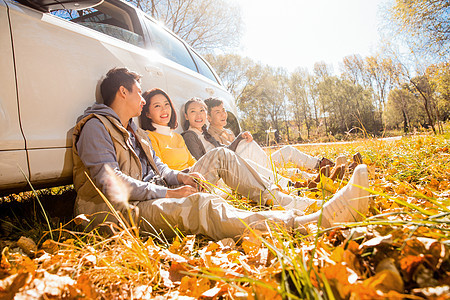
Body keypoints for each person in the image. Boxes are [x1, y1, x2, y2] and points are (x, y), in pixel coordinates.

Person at [73, 67, 371, 241]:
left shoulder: (134, 131)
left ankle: (298, 203)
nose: (143, 99)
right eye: (139, 93)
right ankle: (311, 223)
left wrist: (180, 177)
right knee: (200, 204)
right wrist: (168, 195)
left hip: (153, 191)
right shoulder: (96, 127)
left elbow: (160, 168)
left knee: (223, 158)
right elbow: (109, 183)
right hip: (114, 210)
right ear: (122, 92)